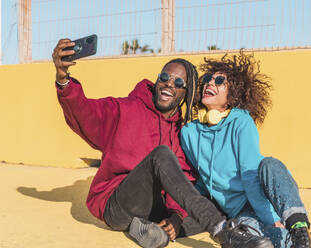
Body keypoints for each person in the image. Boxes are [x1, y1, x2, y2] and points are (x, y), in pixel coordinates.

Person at [51, 39, 276, 248]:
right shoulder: (126, 109)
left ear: (185, 93)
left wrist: (176, 218)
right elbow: (84, 113)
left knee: (215, 201)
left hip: (153, 208)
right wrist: (63, 79)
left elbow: (184, 180)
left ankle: (155, 232)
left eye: (178, 82)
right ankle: (222, 233)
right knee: (161, 155)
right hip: (117, 204)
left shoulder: (182, 131)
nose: (168, 84)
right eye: (164, 77)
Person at [180, 51, 311, 248]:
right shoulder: (189, 133)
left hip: (266, 198)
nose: (209, 83)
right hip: (241, 213)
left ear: (233, 95)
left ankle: (300, 228)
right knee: (269, 243)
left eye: (219, 80)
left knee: (269, 165)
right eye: (207, 79)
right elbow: (202, 180)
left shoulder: (241, 120)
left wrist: (271, 218)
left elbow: (250, 175)